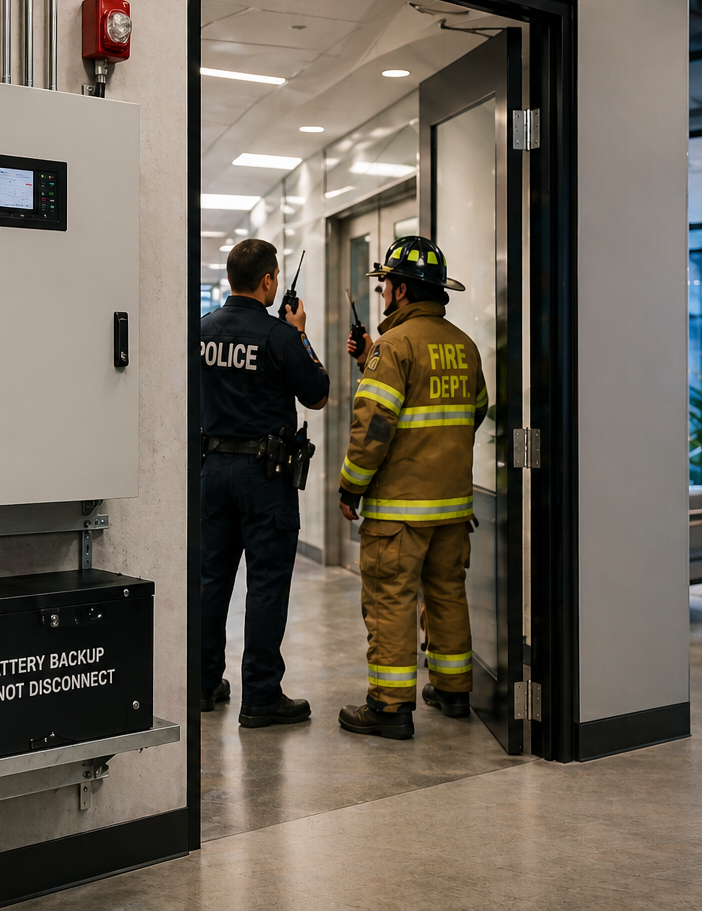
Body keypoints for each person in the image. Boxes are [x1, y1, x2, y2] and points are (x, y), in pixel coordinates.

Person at [335, 236, 487, 740]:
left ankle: (389, 707)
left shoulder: (396, 347)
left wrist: (350, 487)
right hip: (452, 507)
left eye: (385, 288)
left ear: (400, 291)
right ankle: (453, 690)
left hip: (400, 510)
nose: (382, 297)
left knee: (391, 599)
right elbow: (474, 411)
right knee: (446, 593)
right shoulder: (464, 346)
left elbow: (375, 428)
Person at [199, 238, 329, 727]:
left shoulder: (202, 330)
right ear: (270, 280)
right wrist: (301, 335)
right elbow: (318, 395)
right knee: (267, 585)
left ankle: (205, 682)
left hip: (211, 474)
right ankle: (260, 694)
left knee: (211, 581)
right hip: (265, 477)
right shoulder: (280, 337)